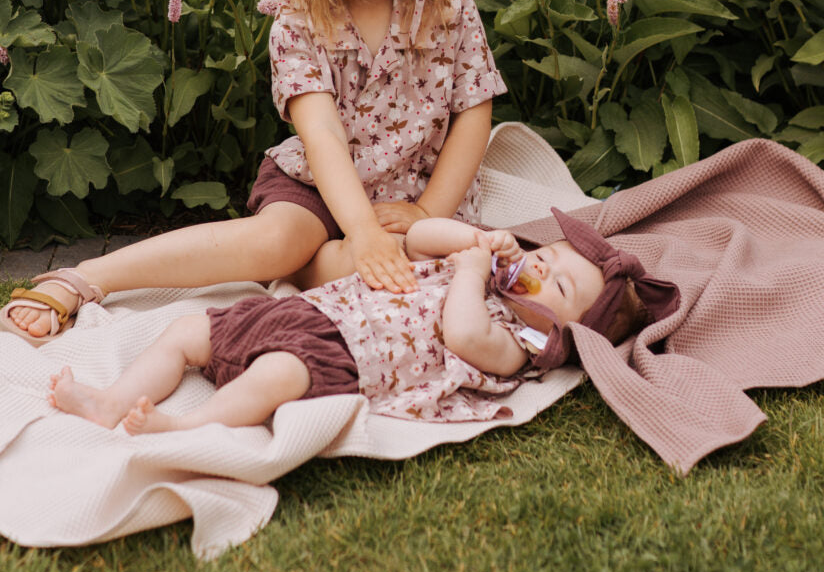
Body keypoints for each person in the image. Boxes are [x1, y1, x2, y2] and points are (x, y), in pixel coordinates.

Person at [0, 0, 508, 345]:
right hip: (318, 181)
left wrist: (428, 211)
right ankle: (85, 278)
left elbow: (472, 112)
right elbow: (322, 135)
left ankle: (319, 266)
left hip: (414, 187)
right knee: (277, 241)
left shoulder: (446, 1)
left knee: (430, 259)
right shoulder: (298, 17)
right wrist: (360, 228)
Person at [45, 209, 678, 432]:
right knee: (187, 331)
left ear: (563, 333)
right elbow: (420, 234)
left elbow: (462, 335)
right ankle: (111, 401)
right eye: (544, 255)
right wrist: (477, 241)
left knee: (276, 377)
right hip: (307, 309)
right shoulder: (479, 264)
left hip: (341, 357)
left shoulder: (520, 342)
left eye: (558, 283)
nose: (537, 267)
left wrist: (466, 275)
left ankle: (186, 427)